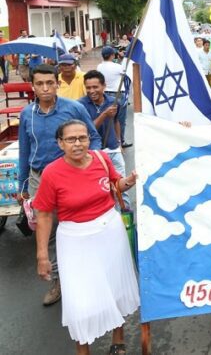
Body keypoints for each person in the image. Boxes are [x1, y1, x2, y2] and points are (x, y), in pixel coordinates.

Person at [32, 119, 138, 355]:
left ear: (89, 139)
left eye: (82, 138)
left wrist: (126, 182)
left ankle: (118, 342)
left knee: (115, 288)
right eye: (71, 139)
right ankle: (83, 350)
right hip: (75, 240)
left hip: (111, 232)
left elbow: (115, 185)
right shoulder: (52, 173)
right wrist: (42, 255)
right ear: (60, 143)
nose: (78, 144)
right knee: (81, 301)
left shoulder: (101, 158)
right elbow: (45, 215)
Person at [18, 65, 102, 306]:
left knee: (75, 226)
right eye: (39, 84)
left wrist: (87, 165)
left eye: (49, 83)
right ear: (32, 86)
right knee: (48, 231)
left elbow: (93, 138)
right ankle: (59, 281)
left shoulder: (73, 108)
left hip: (70, 178)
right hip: (38, 179)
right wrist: (24, 185)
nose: (45, 88)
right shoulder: (27, 114)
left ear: (57, 84)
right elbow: (25, 149)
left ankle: (85, 271)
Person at [79, 70, 130, 207]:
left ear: (104, 86)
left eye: (95, 87)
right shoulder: (80, 106)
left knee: (121, 187)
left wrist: (119, 142)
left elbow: (116, 122)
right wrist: (104, 114)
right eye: (88, 87)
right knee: (99, 189)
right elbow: (87, 130)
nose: (92, 91)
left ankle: (125, 219)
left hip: (113, 150)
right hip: (93, 153)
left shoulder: (113, 102)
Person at [97, 46, 129, 146]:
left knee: (108, 119)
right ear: (112, 55)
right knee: (120, 120)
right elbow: (127, 73)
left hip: (105, 94)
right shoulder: (117, 66)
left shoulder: (99, 66)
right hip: (117, 94)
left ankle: (107, 140)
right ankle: (121, 141)